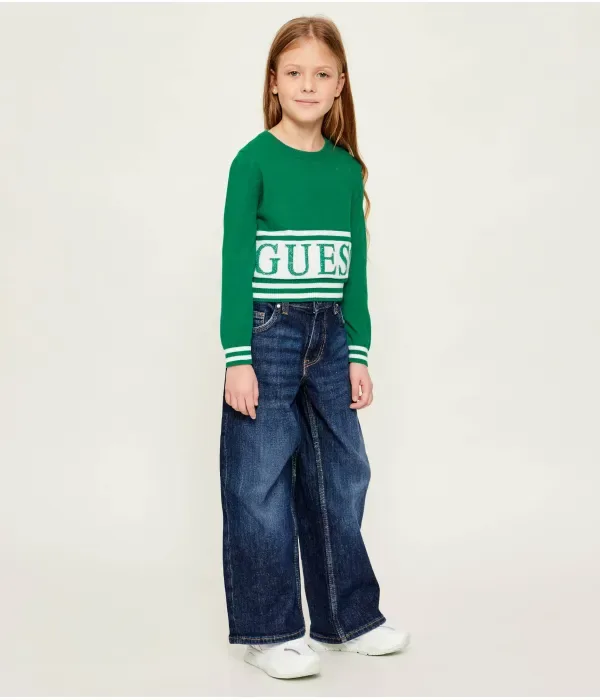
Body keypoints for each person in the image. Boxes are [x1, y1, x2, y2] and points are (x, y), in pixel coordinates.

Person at [218, 16, 411, 680]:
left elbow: (355, 272)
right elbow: (235, 262)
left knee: (343, 475)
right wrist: (236, 355)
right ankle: (270, 630)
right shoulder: (253, 161)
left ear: (339, 84)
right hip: (267, 335)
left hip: (331, 338)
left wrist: (358, 352)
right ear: (274, 82)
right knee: (259, 481)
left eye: (321, 74)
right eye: (294, 72)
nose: (307, 84)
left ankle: (347, 619)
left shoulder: (345, 170)